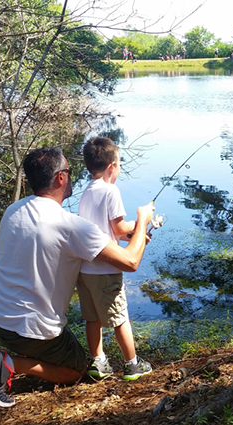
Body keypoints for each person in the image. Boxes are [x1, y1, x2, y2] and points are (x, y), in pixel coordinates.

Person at [0, 147, 154, 408]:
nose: (72, 177)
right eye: (69, 172)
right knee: (76, 370)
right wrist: (142, 219)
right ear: (60, 178)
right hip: (24, 326)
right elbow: (130, 261)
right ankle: (8, 364)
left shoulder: (14, 210)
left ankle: (17, 353)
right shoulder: (70, 226)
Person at [77, 137, 152, 381]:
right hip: (106, 270)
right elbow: (118, 228)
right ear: (112, 167)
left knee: (92, 318)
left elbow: (103, 228)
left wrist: (133, 233)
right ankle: (132, 364)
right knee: (120, 318)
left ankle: (99, 362)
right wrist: (142, 222)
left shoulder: (86, 191)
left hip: (85, 269)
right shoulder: (111, 190)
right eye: (118, 164)